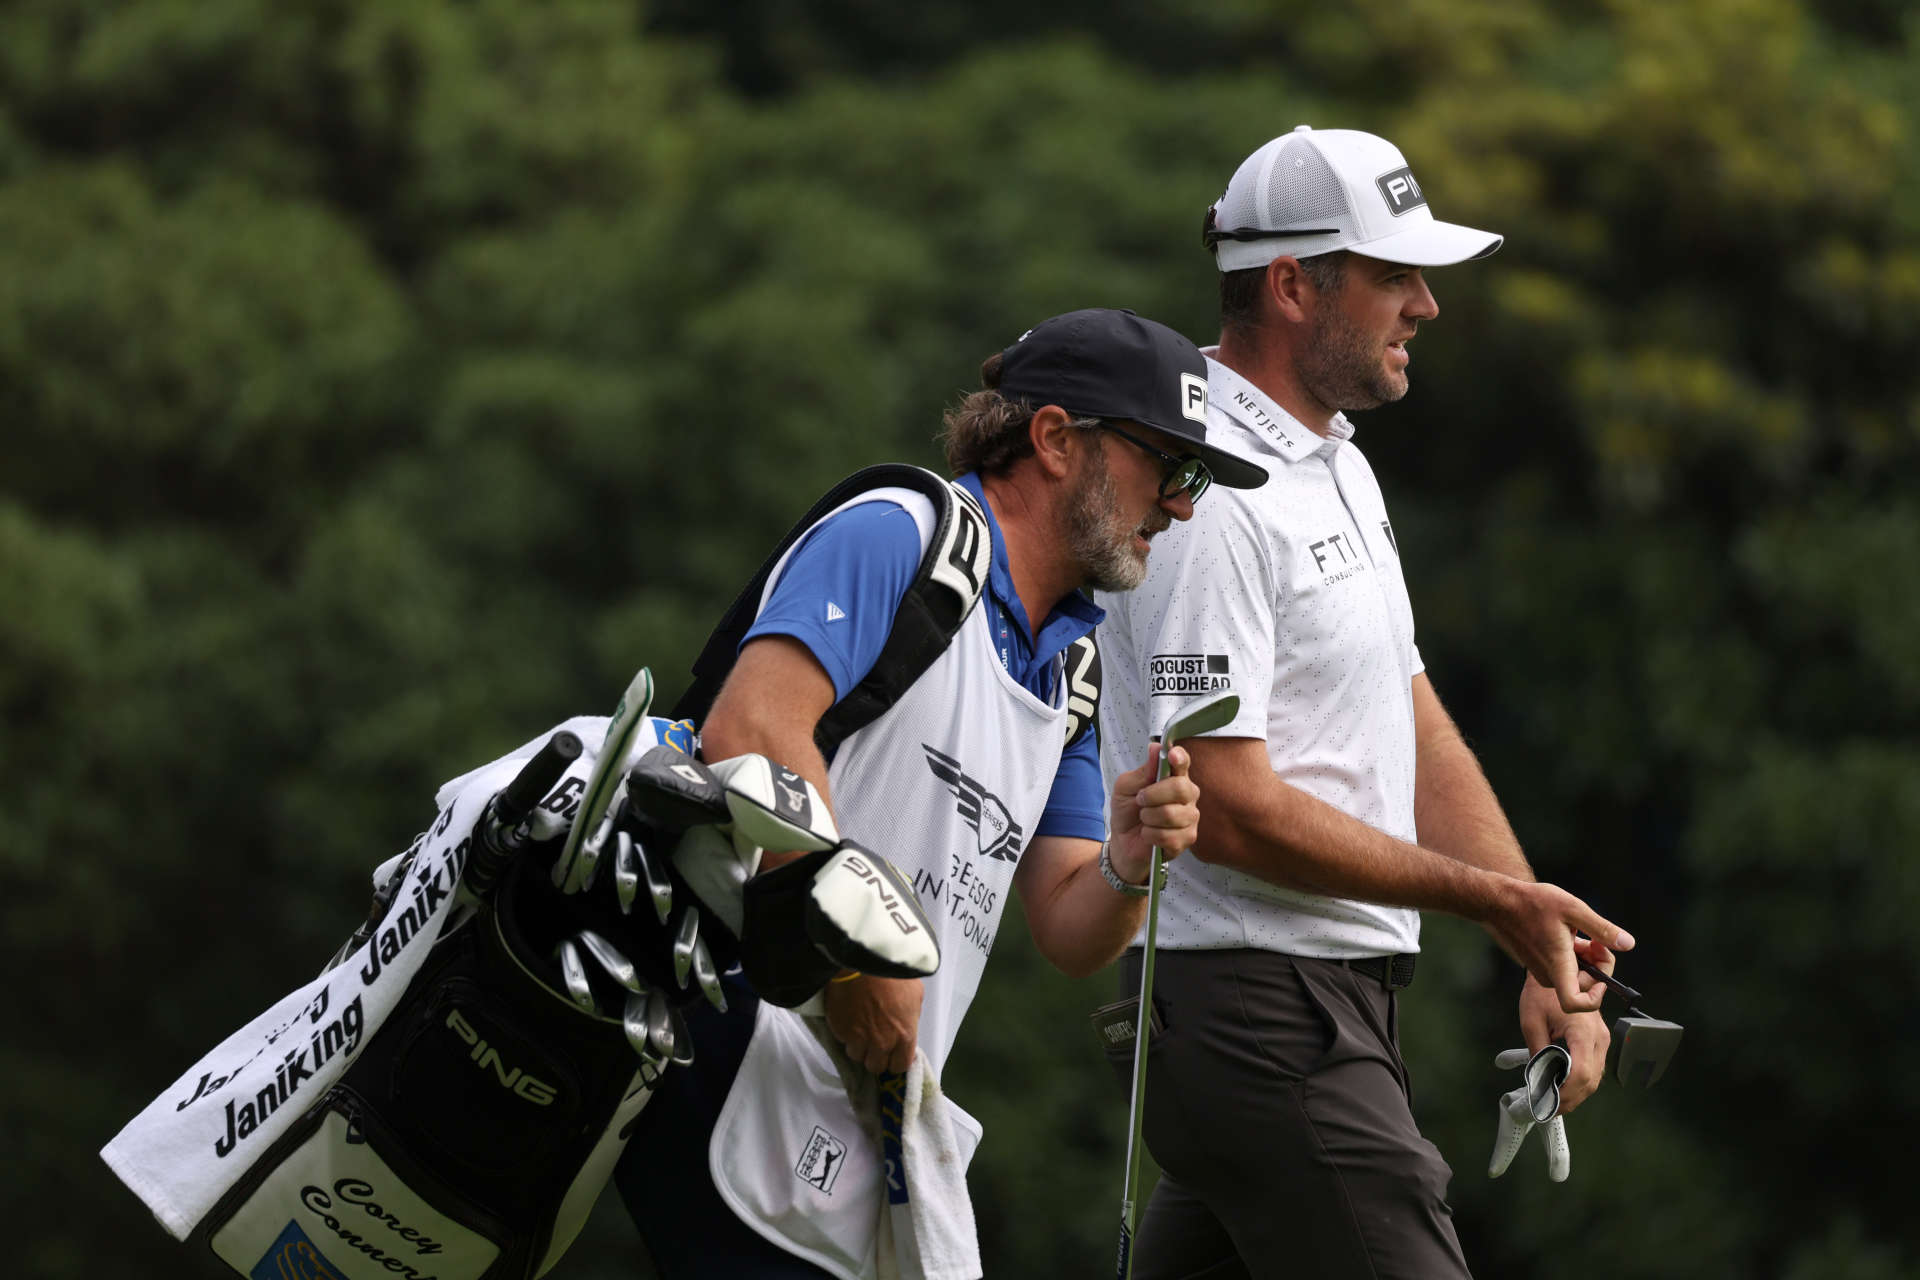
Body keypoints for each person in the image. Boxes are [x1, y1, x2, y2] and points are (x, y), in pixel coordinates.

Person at [616, 307, 1270, 1278]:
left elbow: (1067, 923)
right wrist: (853, 962)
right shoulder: (904, 532)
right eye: (1168, 464)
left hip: (845, 1109)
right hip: (725, 1028)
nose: (1181, 504)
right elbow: (751, 726)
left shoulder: (1073, 670)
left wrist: (1131, 860)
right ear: (1054, 438)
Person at [1093, 127, 1636, 1279]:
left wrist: (1528, 932)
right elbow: (1227, 806)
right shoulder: (1215, 490)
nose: (1427, 305)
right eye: (1395, 275)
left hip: (1311, 1009)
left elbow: (1412, 712)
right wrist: (1490, 895)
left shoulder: (1333, 459)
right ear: (1291, 284)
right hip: (1261, 1011)